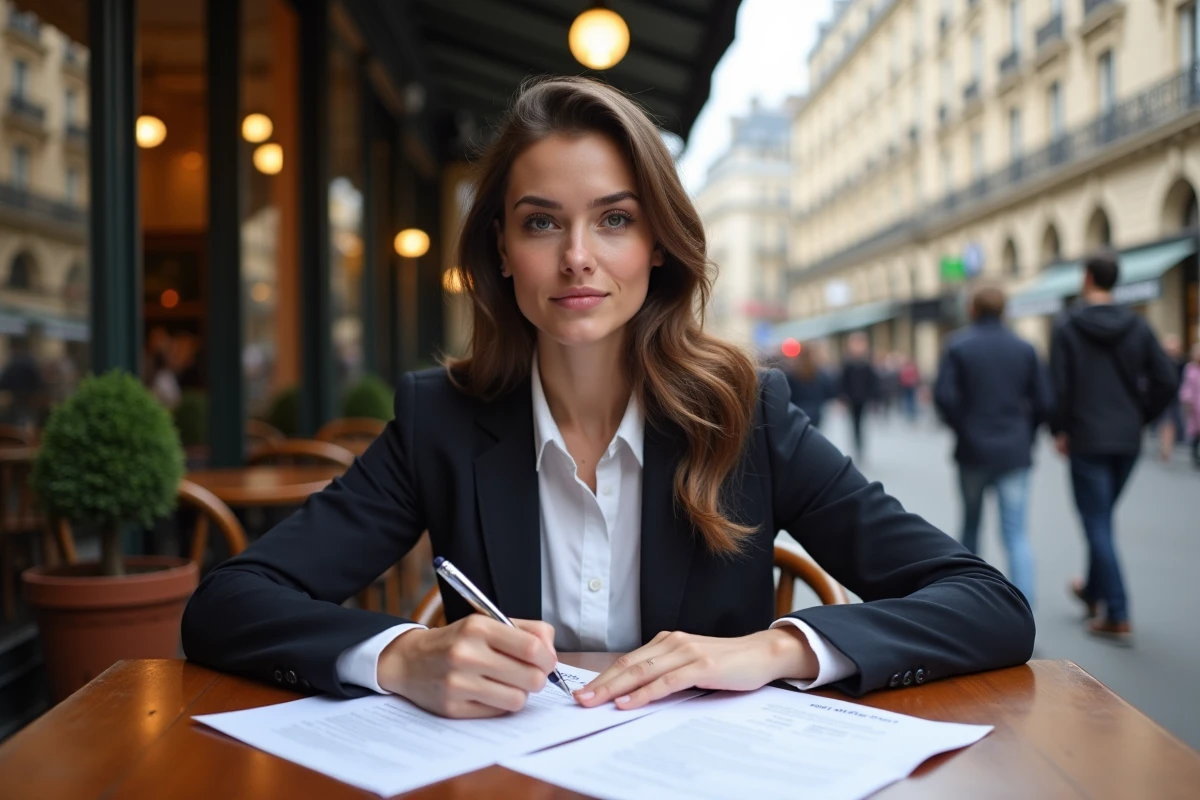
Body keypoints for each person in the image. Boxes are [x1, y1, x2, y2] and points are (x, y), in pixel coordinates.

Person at [182, 77, 1033, 720]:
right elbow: (227, 604)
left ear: (658, 243)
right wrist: (401, 656)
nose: (578, 257)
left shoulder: (747, 416)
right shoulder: (438, 419)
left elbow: (988, 605)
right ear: (503, 253)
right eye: (543, 222)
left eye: (615, 220)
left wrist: (777, 649)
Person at [1049, 252, 1178, 643]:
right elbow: (1166, 380)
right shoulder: (1138, 325)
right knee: (1101, 516)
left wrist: (1060, 429)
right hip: (1127, 438)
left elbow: (1060, 385)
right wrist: (1140, 417)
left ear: (1087, 277)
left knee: (1097, 520)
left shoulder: (1067, 324)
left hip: (1087, 436)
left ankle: (1117, 612)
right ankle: (1092, 590)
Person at [934, 286, 1052, 608]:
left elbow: (944, 396)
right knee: (1016, 535)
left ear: (972, 310)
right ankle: (1025, 611)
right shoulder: (1025, 348)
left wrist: (963, 427)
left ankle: (965, 603)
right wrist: (1026, 433)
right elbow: (1044, 400)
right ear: (1005, 310)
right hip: (1014, 451)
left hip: (973, 451)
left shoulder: (958, 346)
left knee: (970, 527)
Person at [838, 332, 878, 461]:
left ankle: (860, 447)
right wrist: (843, 397)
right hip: (851, 399)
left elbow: (872, 382)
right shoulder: (848, 362)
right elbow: (842, 381)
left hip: (863, 398)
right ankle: (856, 446)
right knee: (854, 424)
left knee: (861, 424)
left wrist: (872, 398)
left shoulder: (866, 362)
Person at [783, 345, 837, 428]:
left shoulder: (792, 373)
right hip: (816, 411)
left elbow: (789, 394)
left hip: (799, 411)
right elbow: (829, 391)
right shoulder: (820, 372)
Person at [1155, 334, 1186, 462]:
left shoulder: (1182, 363)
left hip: (1175, 396)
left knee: (1170, 422)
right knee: (1165, 422)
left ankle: (1167, 447)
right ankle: (1165, 447)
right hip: (1163, 396)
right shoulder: (1160, 362)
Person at [1180, 342, 1200, 469]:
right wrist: (1187, 399)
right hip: (1195, 404)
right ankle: (1195, 455)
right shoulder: (1190, 368)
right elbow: (1186, 385)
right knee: (1195, 431)